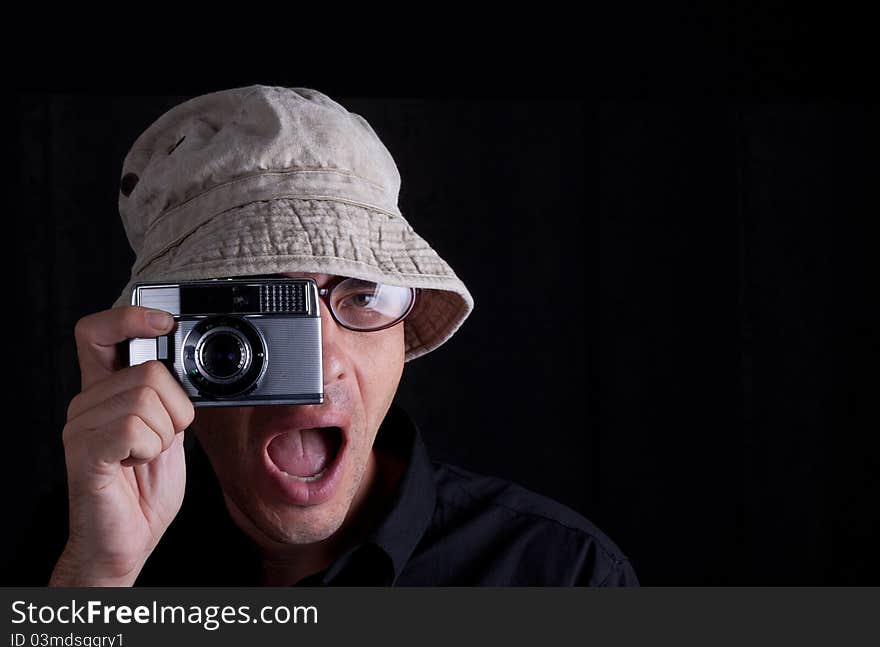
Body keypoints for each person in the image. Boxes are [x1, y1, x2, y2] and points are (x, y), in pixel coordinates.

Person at [40, 85, 637, 586]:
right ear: (159, 349)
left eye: (361, 296)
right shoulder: (81, 554)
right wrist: (99, 579)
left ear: (402, 336)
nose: (322, 361)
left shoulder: (562, 576)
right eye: (253, 312)